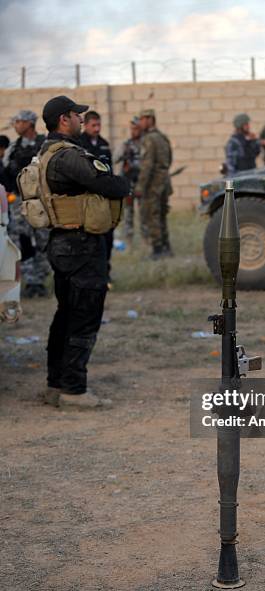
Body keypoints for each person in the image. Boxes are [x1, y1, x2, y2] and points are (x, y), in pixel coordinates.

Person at [40, 95, 129, 409]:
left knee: (65, 315)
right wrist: (124, 182)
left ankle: (56, 383)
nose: (81, 119)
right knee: (84, 317)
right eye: (77, 115)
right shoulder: (68, 155)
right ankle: (74, 390)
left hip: (62, 244)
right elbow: (110, 185)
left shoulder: (45, 152)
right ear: (65, 119)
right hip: (80, 245)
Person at [3, 110, 49, 297]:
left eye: (19, 122)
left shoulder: (44, 145)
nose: (16, 125)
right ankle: (31, 281)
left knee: (43, 241)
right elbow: (6, 172)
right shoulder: (13, 148)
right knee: (22, 240)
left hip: (41, 201)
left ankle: (40, 278)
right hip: (18, 203)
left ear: (30, 123)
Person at [79, 110, 114, 282]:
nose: (97, 128)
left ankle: (105, 273)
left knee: (107, 235)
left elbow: (110, 170)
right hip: (86, 197)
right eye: (93, 125)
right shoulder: (79, 144)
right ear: (85, 125)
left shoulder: (104, 144)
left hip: (103, 196)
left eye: (99, 125)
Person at [135, 109, 173, 259]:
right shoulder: (163, 137)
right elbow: (169, 160)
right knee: (162, 215)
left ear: (150, 119)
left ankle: (157, 250)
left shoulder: (149, 139)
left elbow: (147, 165)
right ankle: (166, 247)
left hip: (153, 184)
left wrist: (140, 186)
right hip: (164, 181)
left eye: (143, 119)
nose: (141, 122)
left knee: (152, 215)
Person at [117, 116, 142, 247]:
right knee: (128, 214)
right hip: (128, 183)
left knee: (144, 214)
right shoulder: (126, 144)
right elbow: (116, 159)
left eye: (136, 128)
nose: (134, 131)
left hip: (141, 184)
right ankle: (129, 241)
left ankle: (146, 241)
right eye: (132, 129)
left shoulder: (145, 144)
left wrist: (134, 166)